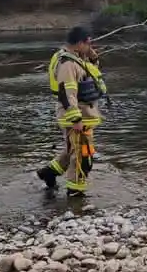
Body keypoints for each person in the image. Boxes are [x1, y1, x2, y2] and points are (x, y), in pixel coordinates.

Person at [36, 25, 107, 197]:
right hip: (76, 116)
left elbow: (88, 73)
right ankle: (75, 192)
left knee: (72, 149)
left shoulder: (76, 58)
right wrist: (76, 120)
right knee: (82, 155)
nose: (90, 46)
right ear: (82, 42)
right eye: (89, 43)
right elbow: (67, 93)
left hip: (83, 114)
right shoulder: (67, 63)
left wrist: (92, 57)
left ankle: (49, 173)